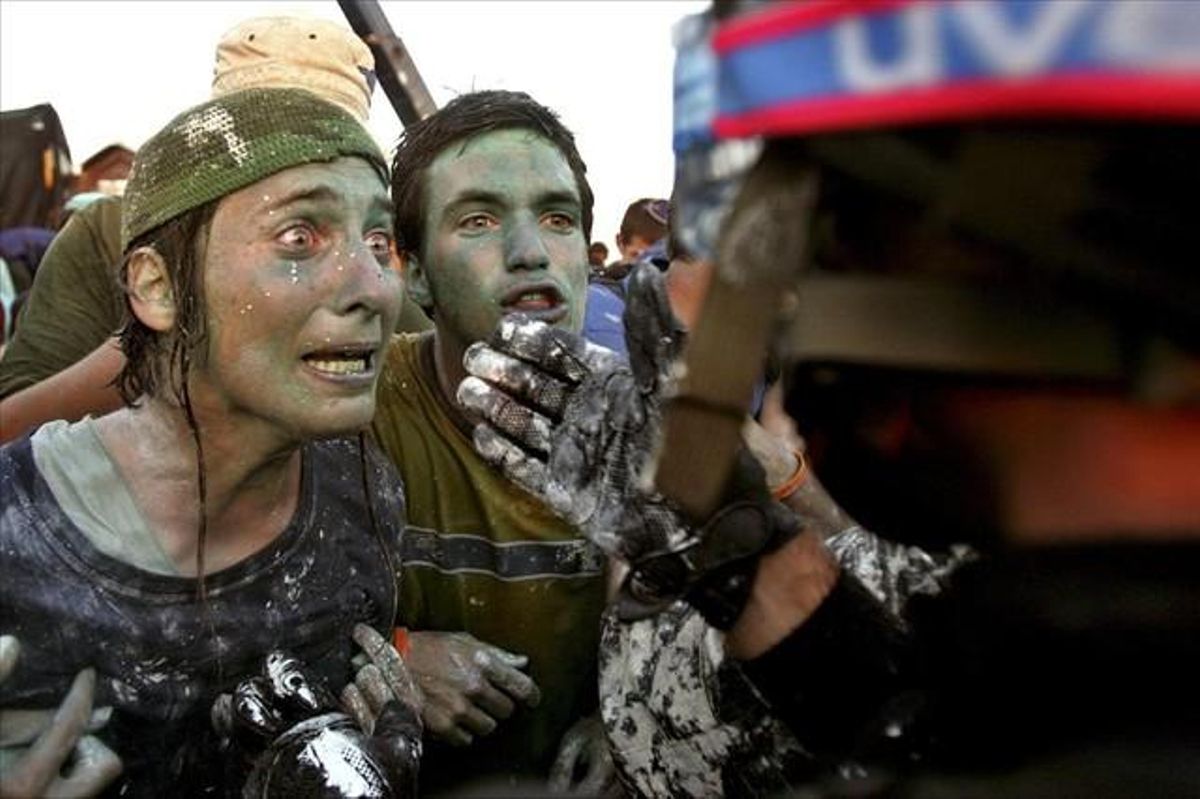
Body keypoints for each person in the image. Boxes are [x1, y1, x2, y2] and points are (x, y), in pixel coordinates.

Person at [458, 0, 1200, 795]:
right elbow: (927, 721)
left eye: (838, 226)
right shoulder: (1088, 643)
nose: (787, 290)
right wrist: (729, 545)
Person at [0, 85, 421, 795]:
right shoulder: (15, 535)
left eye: (377, 242)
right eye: (300, 237)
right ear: (157, 288)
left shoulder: (366, 495)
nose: (373, 286)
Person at [0, 15, 432, 442]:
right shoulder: (111, 229)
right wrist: (153, 351)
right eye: (268, 131)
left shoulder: (373, 270)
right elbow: (14, 427)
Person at [371, 89, 614, 794]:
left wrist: (629, 717)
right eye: (478, 220)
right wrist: (390, 657)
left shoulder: (644, 427)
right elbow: (233, 627)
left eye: (557, 218)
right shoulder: (358, 406)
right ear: (413, 270)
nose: (531, 251)